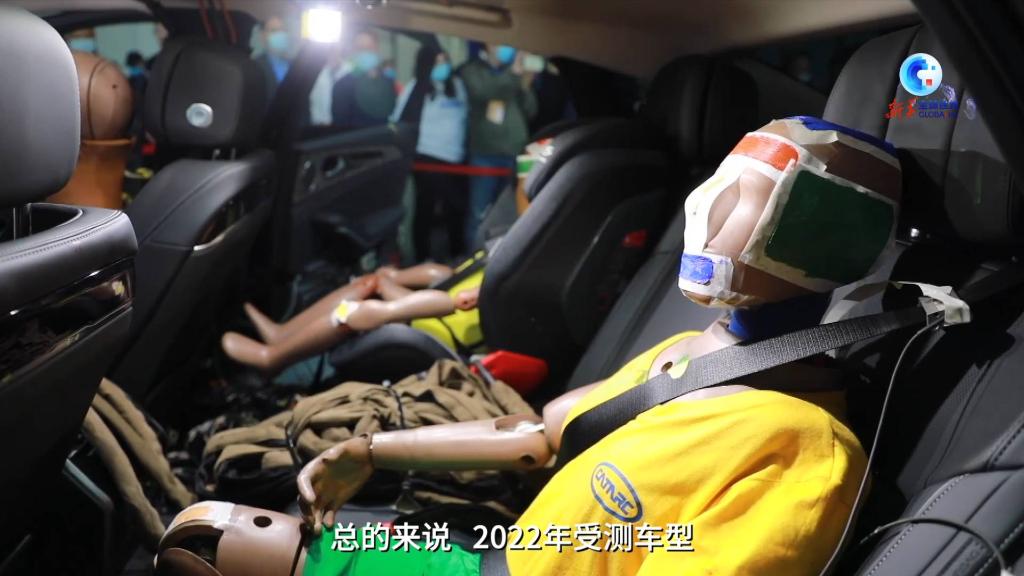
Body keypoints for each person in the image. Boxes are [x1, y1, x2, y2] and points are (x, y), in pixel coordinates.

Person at [159, 116, 903, 576]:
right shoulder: (684, 353)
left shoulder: (809, 457)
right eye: (718, 182)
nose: (707, 206)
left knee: (214, 552)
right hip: (492, 552)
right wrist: (372, 450)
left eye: (749, 192)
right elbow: (540, 436)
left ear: (824, 234)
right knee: (207, 533)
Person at [220, 258, 484, 375]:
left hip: (443, 323)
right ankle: (282, 335)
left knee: (358, 310)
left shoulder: (505, 278)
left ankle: (272, 357)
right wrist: (397, 276)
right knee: (372, 282)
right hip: (447, 303)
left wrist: (388, 309)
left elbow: (466, 300)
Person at [392, 45, 470, 261]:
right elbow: (399, 120)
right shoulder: (416, 87)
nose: (442, 66)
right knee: (425, 209)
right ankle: (422, 258)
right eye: (436, 62)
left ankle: (456, 256)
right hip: (427, 158)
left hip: (455, 159)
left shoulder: (457, 85)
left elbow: (466, 117)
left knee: (455, 210)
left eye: (444, 61)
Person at [459, 44, 537, 250]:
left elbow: (530, 110)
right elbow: (486, 92)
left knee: (509, 213)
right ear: (488, 44)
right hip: (485, 155)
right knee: (479, 213)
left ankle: (502, 255)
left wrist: (525, 86)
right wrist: (514, 73)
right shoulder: (472, 70)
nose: (507, 48)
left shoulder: (514, 74)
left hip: (513, 152)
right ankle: (474, 256)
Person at [331, 31, 397, 129]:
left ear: (377, 49)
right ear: (353, 52)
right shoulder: (342, 86)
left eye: (369, 48)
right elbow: (340, 126)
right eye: (360, 49)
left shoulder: (388, 82)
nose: (365, 53)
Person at [254, 16, 292, 96]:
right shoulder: (255, 67)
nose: (280, 35)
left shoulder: (295, 64)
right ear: (263, 36)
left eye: (283, 30)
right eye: (274, 31)